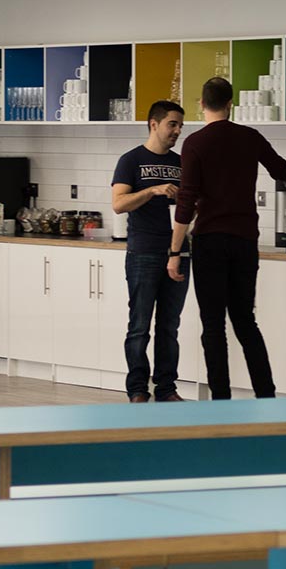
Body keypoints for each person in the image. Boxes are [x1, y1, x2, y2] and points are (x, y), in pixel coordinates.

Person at [167, 76, 286, 400]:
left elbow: (186, 202)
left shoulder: (194, 144)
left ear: (202, 104)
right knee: (245, 321)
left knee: (213, 326)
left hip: (210, 243)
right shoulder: (250, 137)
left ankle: (221, 402)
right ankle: (266, 395)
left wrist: (175, 250)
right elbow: (282, 171)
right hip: (244, 243)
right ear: (231, 104)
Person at [110, 99, 189, 402]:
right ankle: (138, 390)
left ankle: (167, 389)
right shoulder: (130, 160)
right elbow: (118, 204)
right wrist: (152, 190)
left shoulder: (183, 163)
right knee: (140, 326)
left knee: (170, 326)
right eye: (173, 124)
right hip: (143, 252)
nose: (177, 130)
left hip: (178, 252)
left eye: (180, 125)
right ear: (153, 124)